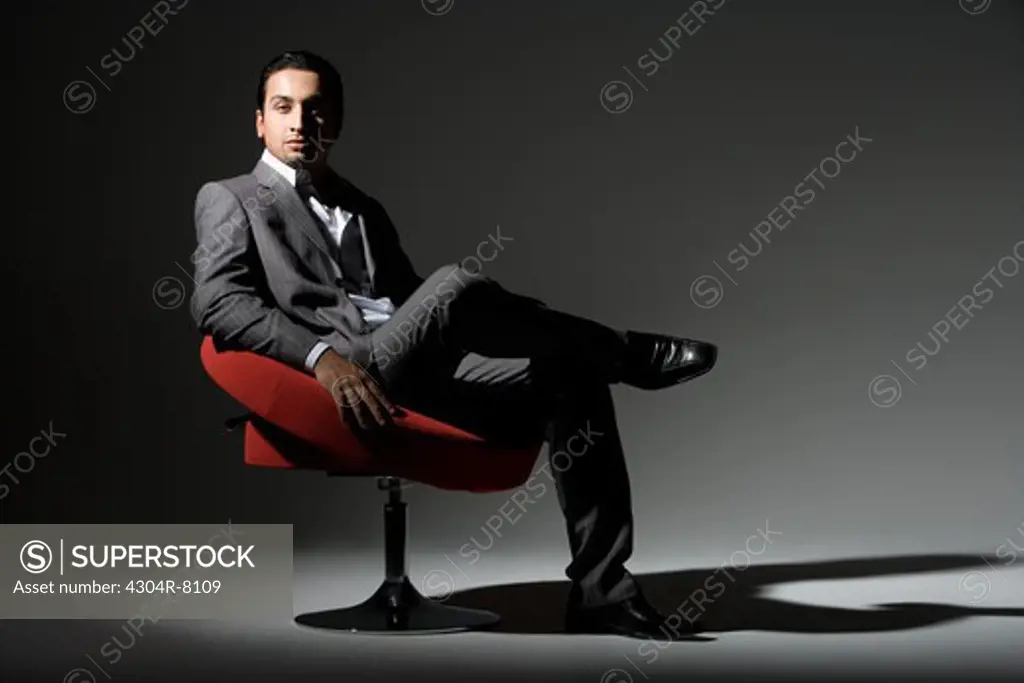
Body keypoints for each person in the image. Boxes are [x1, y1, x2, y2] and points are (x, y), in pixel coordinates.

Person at [190, 50, 718, 640]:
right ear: (259, 121)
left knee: (572, 377)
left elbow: (414, 306)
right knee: (455, 284)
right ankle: (625, 352)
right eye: (283, 107)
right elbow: (218, 303)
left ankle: (603, 594)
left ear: (335, 120)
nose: (299, 122)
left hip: (416, 369)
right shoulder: (230, 197)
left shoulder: (364, 208)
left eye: (315, 109)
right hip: (351, 370)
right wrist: (324, 359)